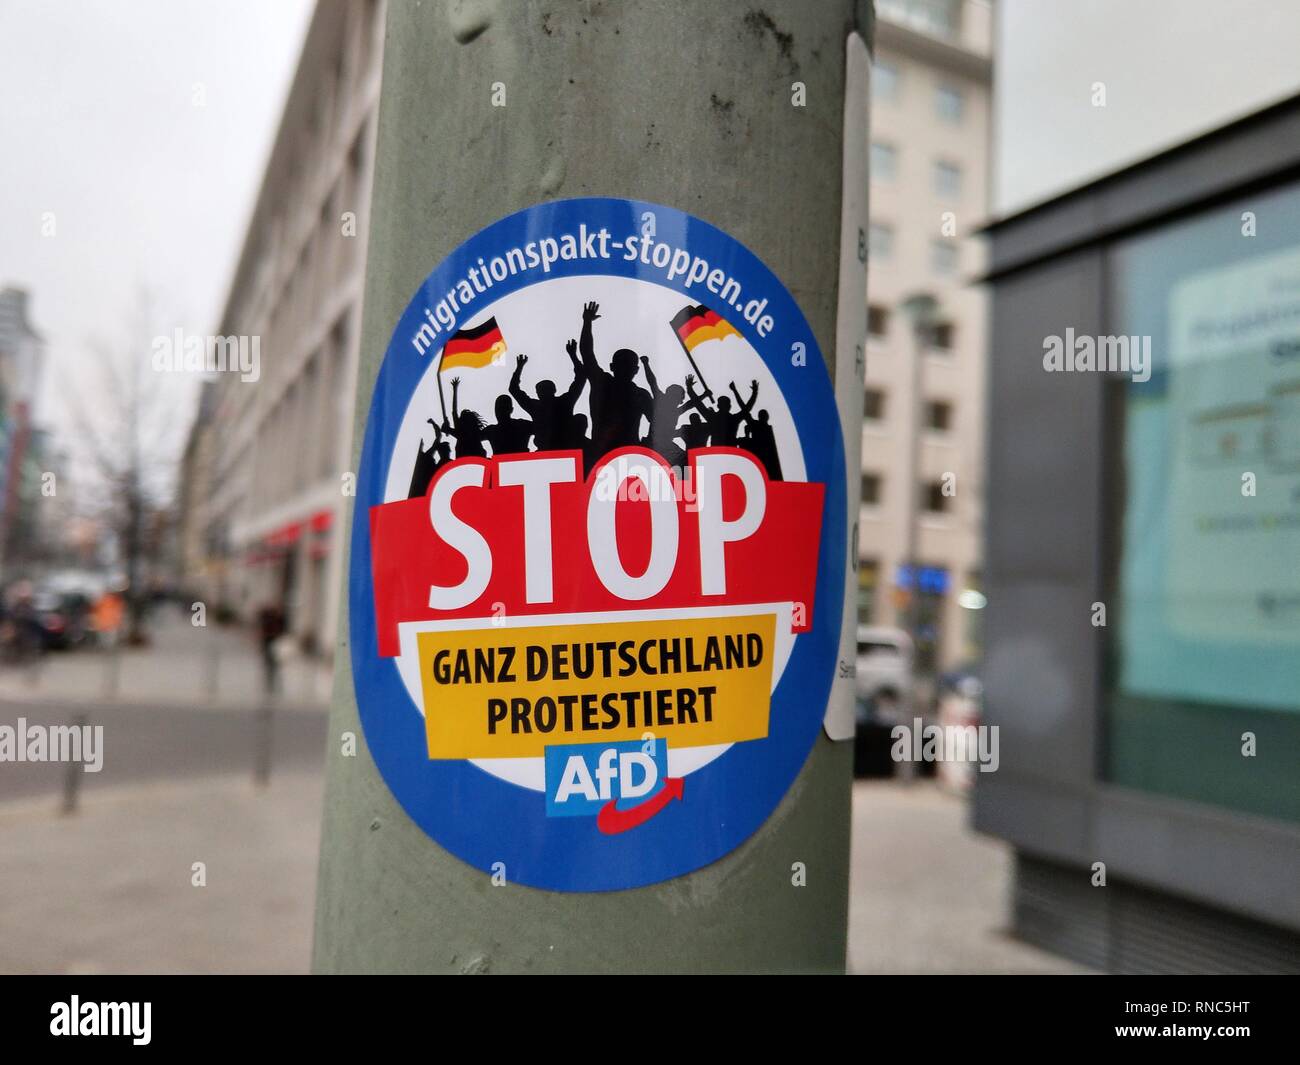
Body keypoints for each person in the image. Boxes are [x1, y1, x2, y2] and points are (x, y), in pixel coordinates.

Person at [578, 301, 652, 456]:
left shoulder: (639, 394)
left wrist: (649, 443)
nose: (625, 369)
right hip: (604, 456)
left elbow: (658, 423)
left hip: (627, 456)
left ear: (635, 370)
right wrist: (586, 323)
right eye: (622, 364)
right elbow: (587, 354)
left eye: (628, 365)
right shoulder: (603, 383)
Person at [508, 348, 586, 452]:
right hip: (550, 450)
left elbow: (580, 378)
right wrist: (573, 356)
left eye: (545, 389)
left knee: (580, 418)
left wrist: (519, 367)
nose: (543, 392)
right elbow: (514, 389)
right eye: (541, 390)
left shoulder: (560, 402)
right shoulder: (563, 401)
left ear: (553, 390)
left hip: (561, 449)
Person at [639, 355, 692, 468]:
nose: (681, 400)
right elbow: (652, 381)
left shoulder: (675, 410)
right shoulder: (662, 402)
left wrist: (702, 394)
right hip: (654, 443)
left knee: (684, 461)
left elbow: (691, 404)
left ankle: (682, 484)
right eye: (680, 397)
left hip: (665, 444)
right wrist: (646, 364)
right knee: (683, 460)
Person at [682, 374, 756, 447]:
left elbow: (698, 403)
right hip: (730, 452)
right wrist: (754, 393)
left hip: (717, 453)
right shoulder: (733, 419)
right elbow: (746, 409)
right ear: (729, 406)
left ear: (718, 406)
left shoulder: (713, 418)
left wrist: (689, 388)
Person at [444, 376, 488, 458]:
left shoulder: (461, 433)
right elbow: (454, 412)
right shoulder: (470, 433)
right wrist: (455, 389)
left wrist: (455, 389)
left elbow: (454, 411)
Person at [737, 406, 784, 481]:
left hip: (767, 459)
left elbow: (745, 411)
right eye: (761, 415)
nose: (762, 417)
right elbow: (745, 411)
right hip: (763, 458)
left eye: (763, 415)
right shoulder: (757, 426)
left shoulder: (763, 427)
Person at [484, 390, 534, 456]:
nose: (500, 411)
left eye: (503, 408)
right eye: (498, 408)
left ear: (511, 409)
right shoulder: (523, 424)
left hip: (515, 463)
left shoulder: (491, 431)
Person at [407, 419, 448, 498]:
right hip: (425, 485)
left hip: (429, 483)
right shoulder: (424, 457)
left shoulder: (426, 456)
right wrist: (433, 423)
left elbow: (438, 436)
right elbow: (438, 436)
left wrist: (433, 423)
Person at [256, 601, 286, 697]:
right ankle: (270, 666)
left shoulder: (279, 617)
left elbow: (283, 628)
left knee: (274, 657)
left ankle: (273, 666)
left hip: (274, 639)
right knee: (269, 657)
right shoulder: (268, 616)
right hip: (268, 639)